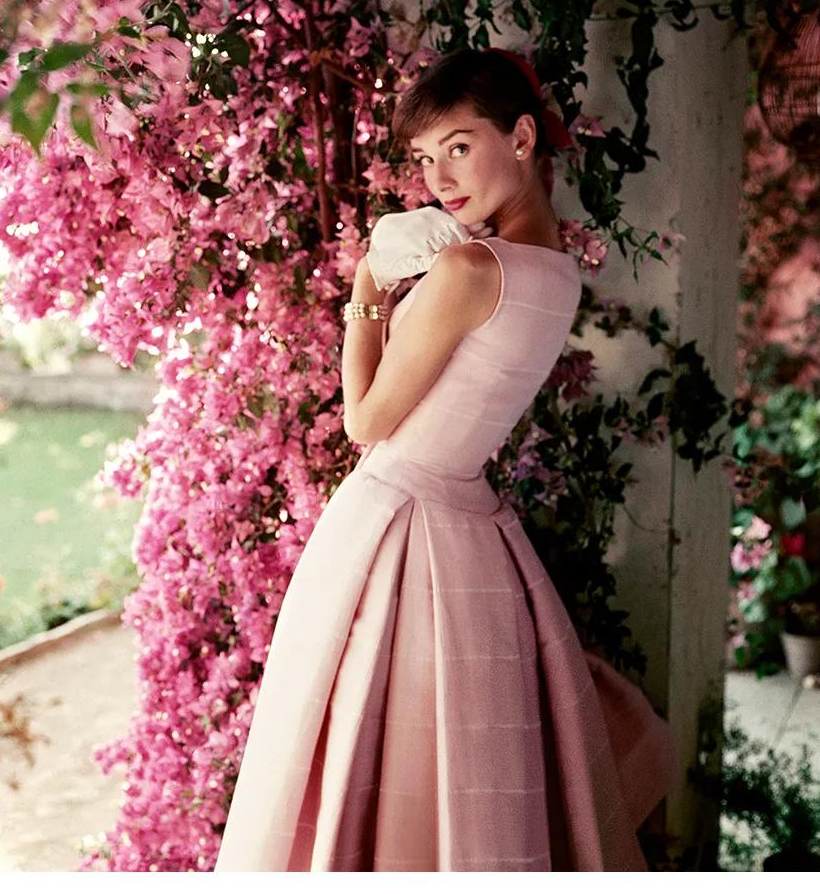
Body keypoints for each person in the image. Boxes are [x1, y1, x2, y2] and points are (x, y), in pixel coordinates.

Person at [213, 47, 679, 872]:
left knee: (367, 760)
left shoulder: (469, 266)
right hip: (471, 527)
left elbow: (364, 421)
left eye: (459, 145)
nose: (439, 177)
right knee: (455, 770)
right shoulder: (559, 272)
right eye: (427, 158)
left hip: (396, 520)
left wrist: (366, 280)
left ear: (524, 136)